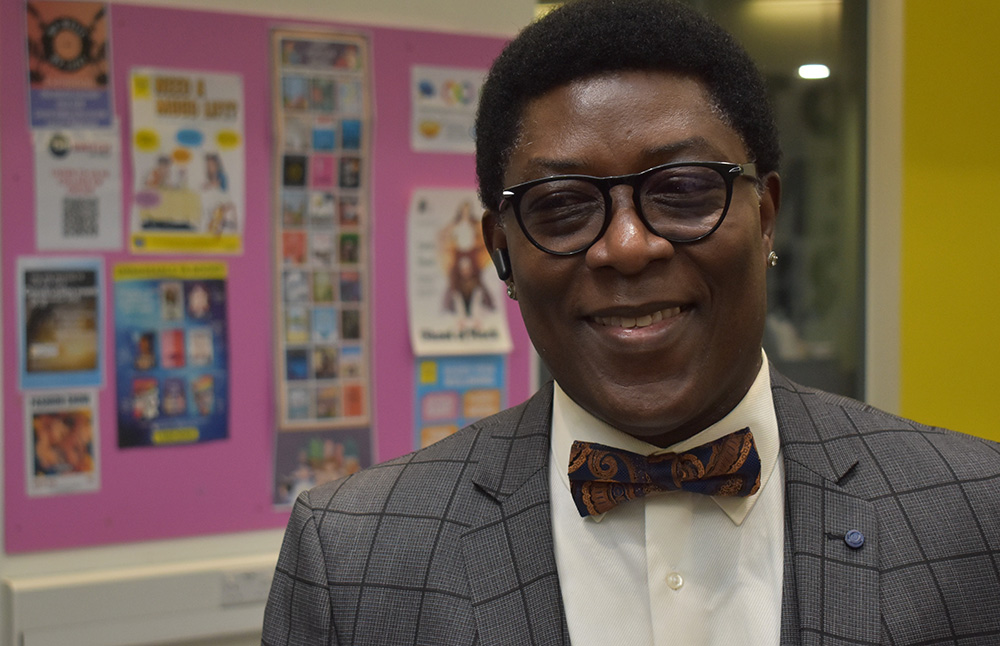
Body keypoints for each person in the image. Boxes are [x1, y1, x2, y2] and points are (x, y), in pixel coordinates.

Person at [262, 1, 1000, 644]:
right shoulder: (355, 562)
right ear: (501, 255)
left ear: (767, 216)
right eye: (561, 206)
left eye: (681, 190)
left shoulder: (975, 516)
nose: (627, 246)